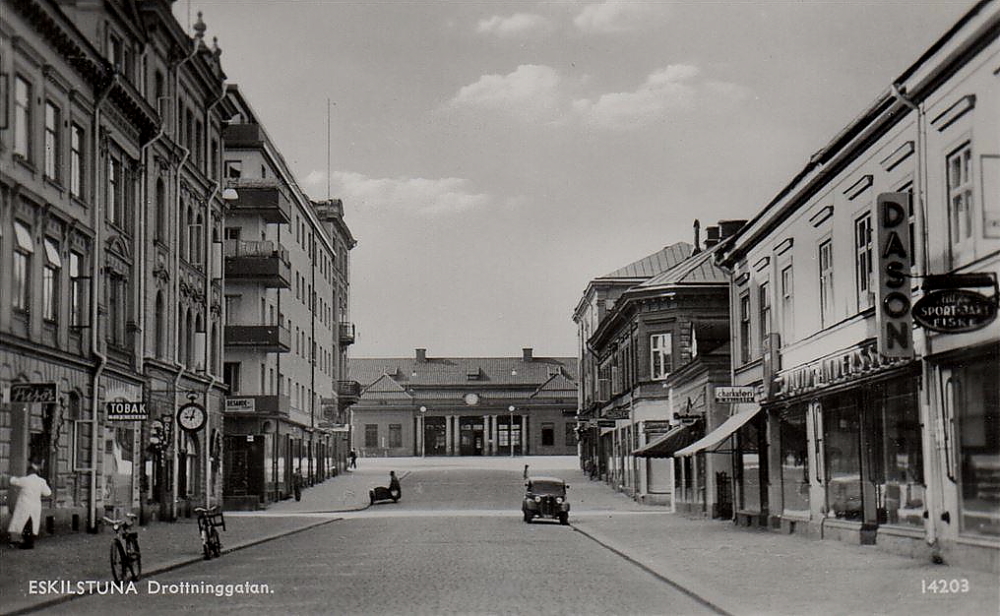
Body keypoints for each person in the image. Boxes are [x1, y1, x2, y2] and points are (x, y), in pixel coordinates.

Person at [7, 461, 51, 549]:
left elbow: (14, 481)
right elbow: (48, 493)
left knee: (25, 524)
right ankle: (29, 542)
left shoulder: (26, 480)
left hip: (25, 505)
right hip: (35, 506)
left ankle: (27, 543)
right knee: (32, 524)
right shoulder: (41, 481)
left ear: (30, 472)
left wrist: (6, 477)